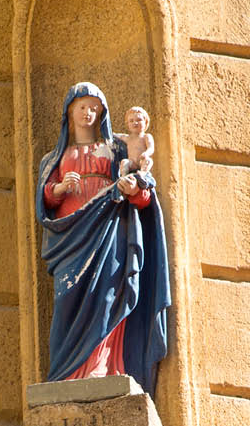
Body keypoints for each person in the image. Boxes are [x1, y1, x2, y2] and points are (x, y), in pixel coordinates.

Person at [36, 82, 170, 393]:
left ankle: (104, 366)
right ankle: (67, 374)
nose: (88, 113)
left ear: (102, 114)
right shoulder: (53, 159)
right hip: (70, 238)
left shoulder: (116, 150)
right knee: (67, 297)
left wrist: (134, 190)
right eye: (81, 106)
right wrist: (58, 189)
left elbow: (141, 190)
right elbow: (44, 204)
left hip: (109, 230)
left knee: (109, 293)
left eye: (94, 108)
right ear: (70, 112)